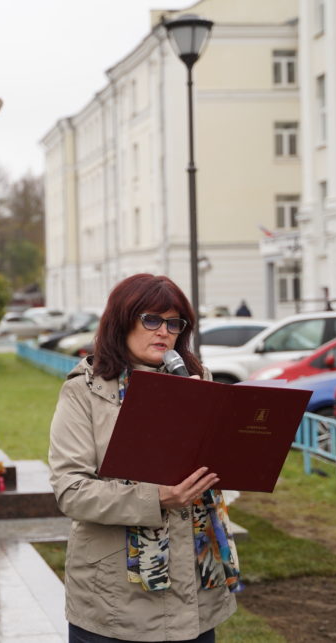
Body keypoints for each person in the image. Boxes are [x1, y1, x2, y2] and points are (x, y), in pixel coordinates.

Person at [48, 273, 241, 643]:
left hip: (196, 591)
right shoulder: (84, 390)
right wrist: (157, 498)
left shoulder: (199, 380)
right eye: (151, 320)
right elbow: (71, 490)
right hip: (115, 600)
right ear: (122, 322)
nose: (164, 332)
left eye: (174, 323)